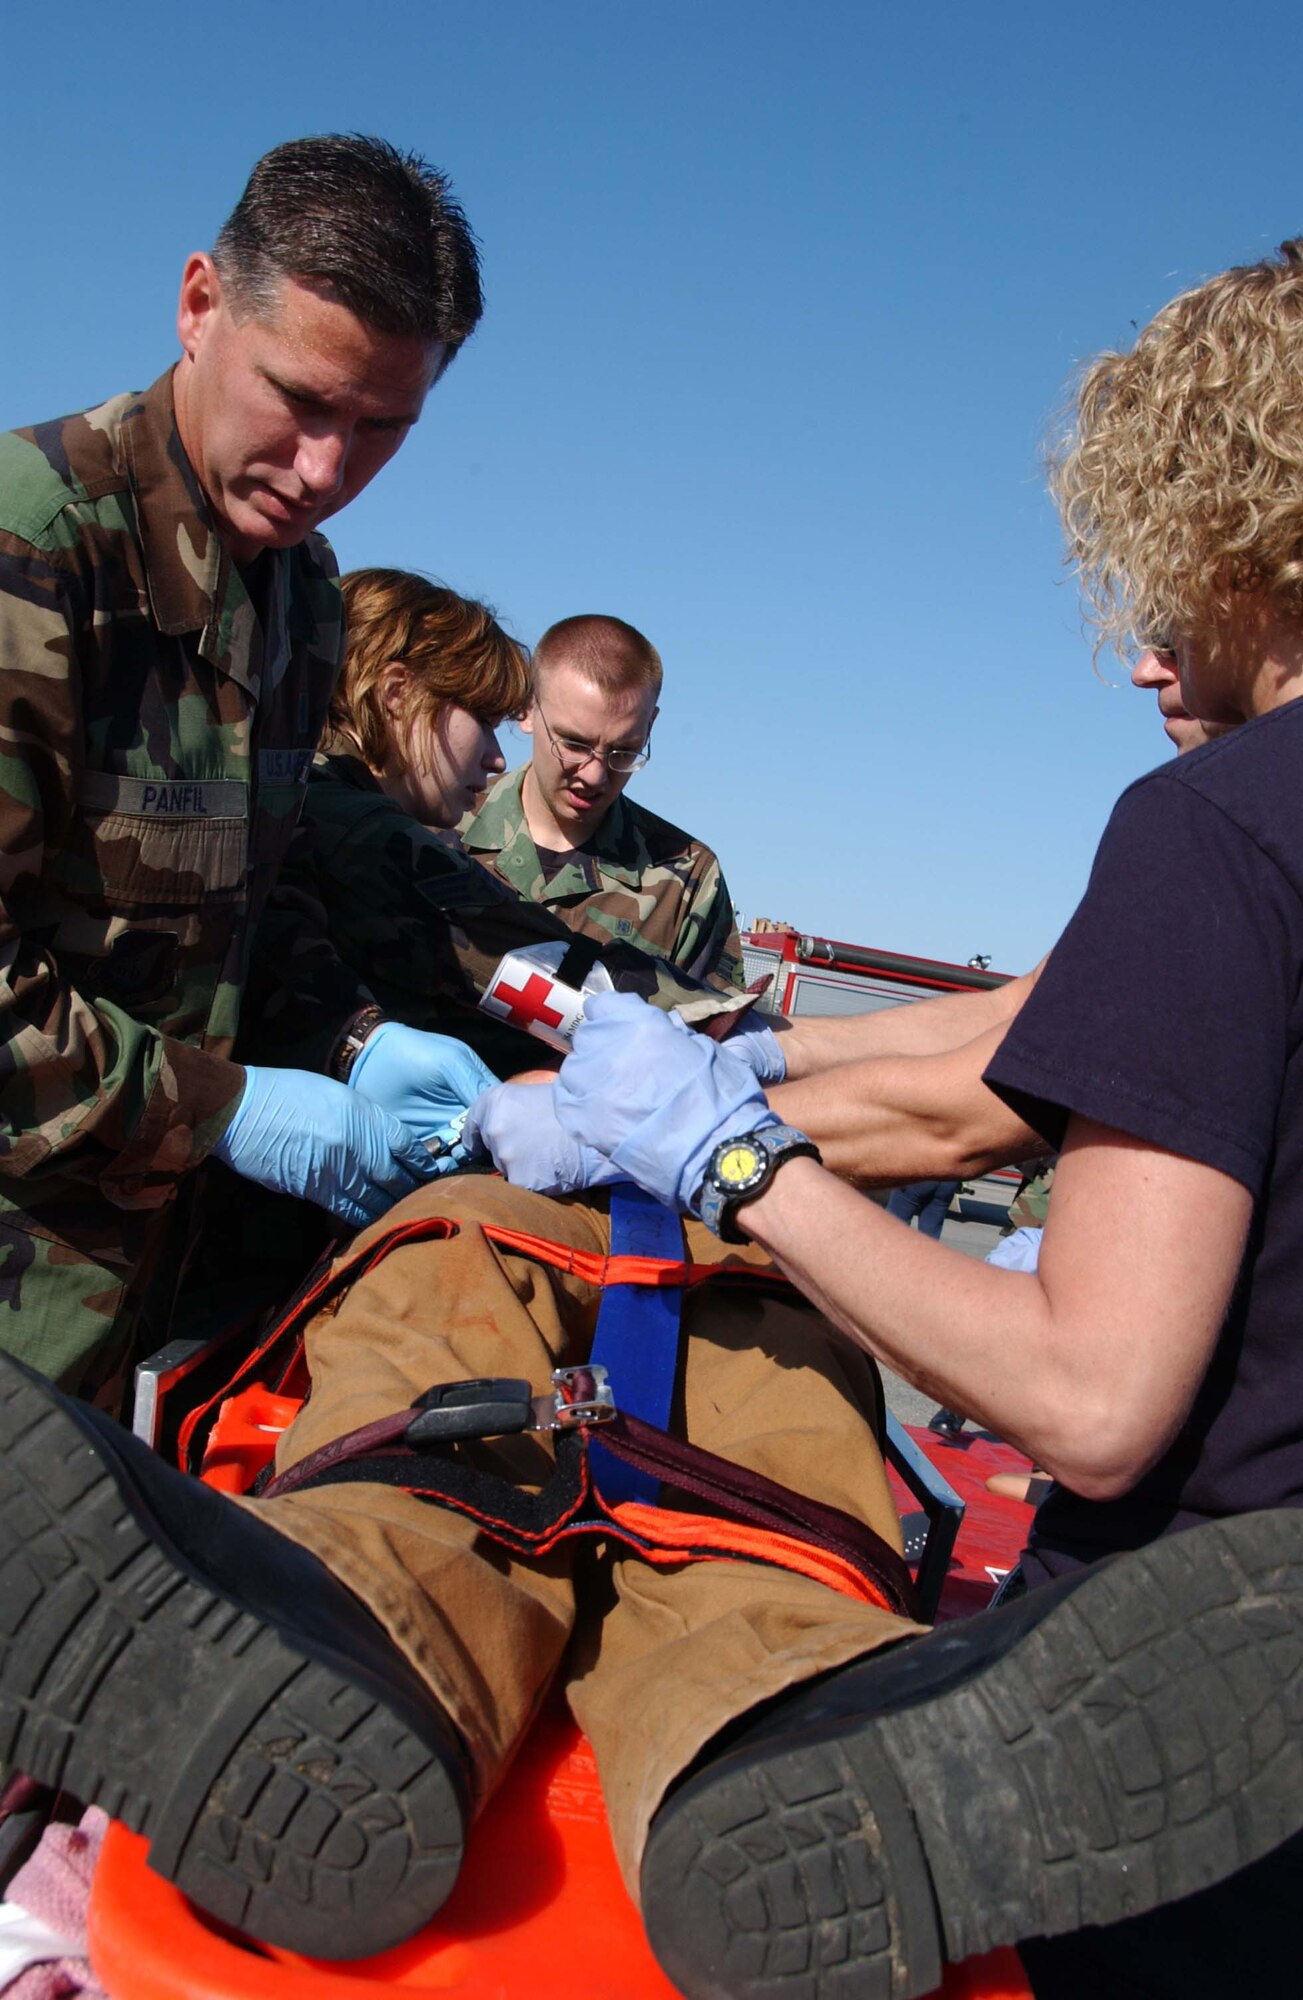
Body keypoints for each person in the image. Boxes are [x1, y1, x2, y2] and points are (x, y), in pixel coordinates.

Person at [471, 237, 1303, 1993]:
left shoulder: (1215, 833)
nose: (1144, 646)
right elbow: (1014, 1046)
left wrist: (729, 1157)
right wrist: (753, 1070)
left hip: (1192, 1709)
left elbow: (1087, 1400)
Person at [0, 135, 487, 1401]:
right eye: (304, 402)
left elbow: (239, 911)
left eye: (382, 427)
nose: (329, 472)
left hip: (101, 1325)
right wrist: (216, 1109)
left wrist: (355, 1037)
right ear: (202, 304)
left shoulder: (300, 597)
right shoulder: (32, 550)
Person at [246, 571, 752, 1087]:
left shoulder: (293, 797)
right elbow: (531, 962)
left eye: (624, 752)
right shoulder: (363, 826)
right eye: (484, 719)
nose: (494, 755)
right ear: (397, 693)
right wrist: (753, 1034)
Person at [462, 614, 744, 985]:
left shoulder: (686, 877)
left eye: (624, 752)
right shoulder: (444, 821)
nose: (594, 776)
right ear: (527, 708)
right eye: (574, 744)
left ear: (650, 726)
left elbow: (713, 1031)